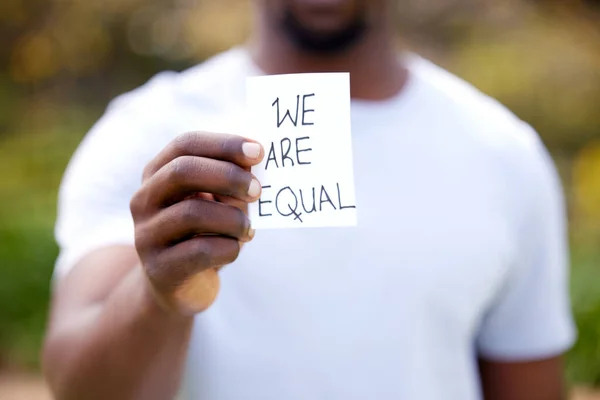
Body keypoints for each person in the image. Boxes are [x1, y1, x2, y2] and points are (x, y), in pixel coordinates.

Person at [42, 0, 576, 399]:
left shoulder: (503, 152)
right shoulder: (143, 132)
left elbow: (528, 384)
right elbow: (75, 386)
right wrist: (158, 292)